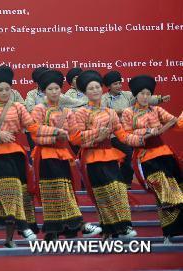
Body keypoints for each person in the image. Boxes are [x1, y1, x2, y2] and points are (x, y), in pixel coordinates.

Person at [30, 70, 101, 240]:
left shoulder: (67, 111)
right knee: (55, 191)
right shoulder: (39, 109)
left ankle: (55, 230)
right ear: (44, 91)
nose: (54, 92)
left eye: (56, 89)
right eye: (50, 89)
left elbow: (75, 137)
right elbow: (34, 133)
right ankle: (80, 224)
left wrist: (96, 133)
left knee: (63, 190)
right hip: (46, 155)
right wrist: (56, 134)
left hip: (63, 155)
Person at [0, 66, 42, 247]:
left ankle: (8, 239)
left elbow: (32, 126)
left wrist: (51, 132)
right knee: (9, 190)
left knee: (18, 193)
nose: (4, 93)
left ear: (11, 89)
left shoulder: (18, 106)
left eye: (7, 89)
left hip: (17, 155)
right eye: (0, 90)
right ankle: (23, 225)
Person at [70, 70, 139, 239]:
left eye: (97, 87)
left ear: (102, 89)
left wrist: (140, 140)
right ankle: (113, 228)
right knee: (103, 194)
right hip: (92, 157)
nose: (95, 91)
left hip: (109, 155)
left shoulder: (110, 112)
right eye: (90, 88)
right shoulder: (80, 113)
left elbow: (122, 135)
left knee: (118, 189)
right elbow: (75, 137)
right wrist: (97, 134)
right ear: (85, 93)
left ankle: (123, 226)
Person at [121, 75, 183, 244]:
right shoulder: (128, 112)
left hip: (165, 155)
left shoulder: (156, 110)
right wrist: (147, 132)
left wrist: (179, 120)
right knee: (165, 193)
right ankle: (168, 234)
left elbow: (174, 123)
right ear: (135, 95)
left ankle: (171, 234)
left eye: (148, 93)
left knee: (177, 190)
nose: (145, 96)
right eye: (142, 93)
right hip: (146, 157)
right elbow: (126, 135)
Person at [103, 70, 164, 186]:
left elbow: (142, 97)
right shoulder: (104, 99)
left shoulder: (127, 95)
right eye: (115, 84)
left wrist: (159, 99)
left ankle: (134, 182)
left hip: (131, 131)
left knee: (145, 153)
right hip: (114, 135)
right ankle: (125, 182)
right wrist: (119, 111)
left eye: (120, 83)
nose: (119, 86)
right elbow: (102, 112)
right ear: (108, 86)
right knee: (129, 154)